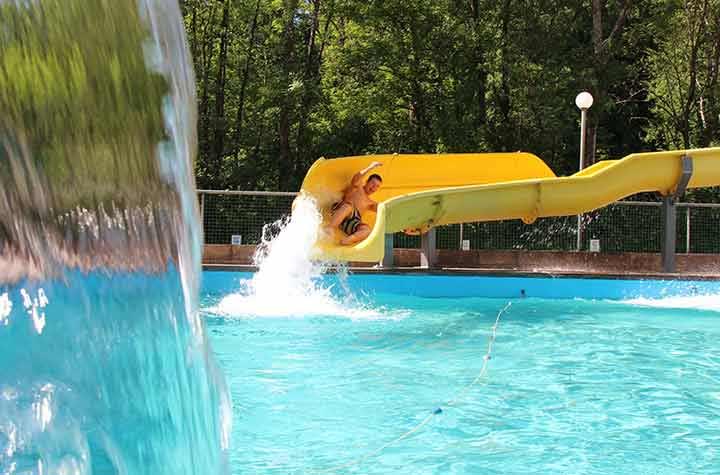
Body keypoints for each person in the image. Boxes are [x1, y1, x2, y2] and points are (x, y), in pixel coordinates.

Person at [327, 161, 383, 245]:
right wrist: (370, 167)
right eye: (373, 183)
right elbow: (356, 179)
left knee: (367, 230)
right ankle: (330, 228)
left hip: (353, 220)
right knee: (348, 206)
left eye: (377, 186)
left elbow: (385, 210)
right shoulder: (358, 187)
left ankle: (347, 240)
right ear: (367, 181)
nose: (374, 187)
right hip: (342, 209)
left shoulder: (370, 203)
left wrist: (404, 226)